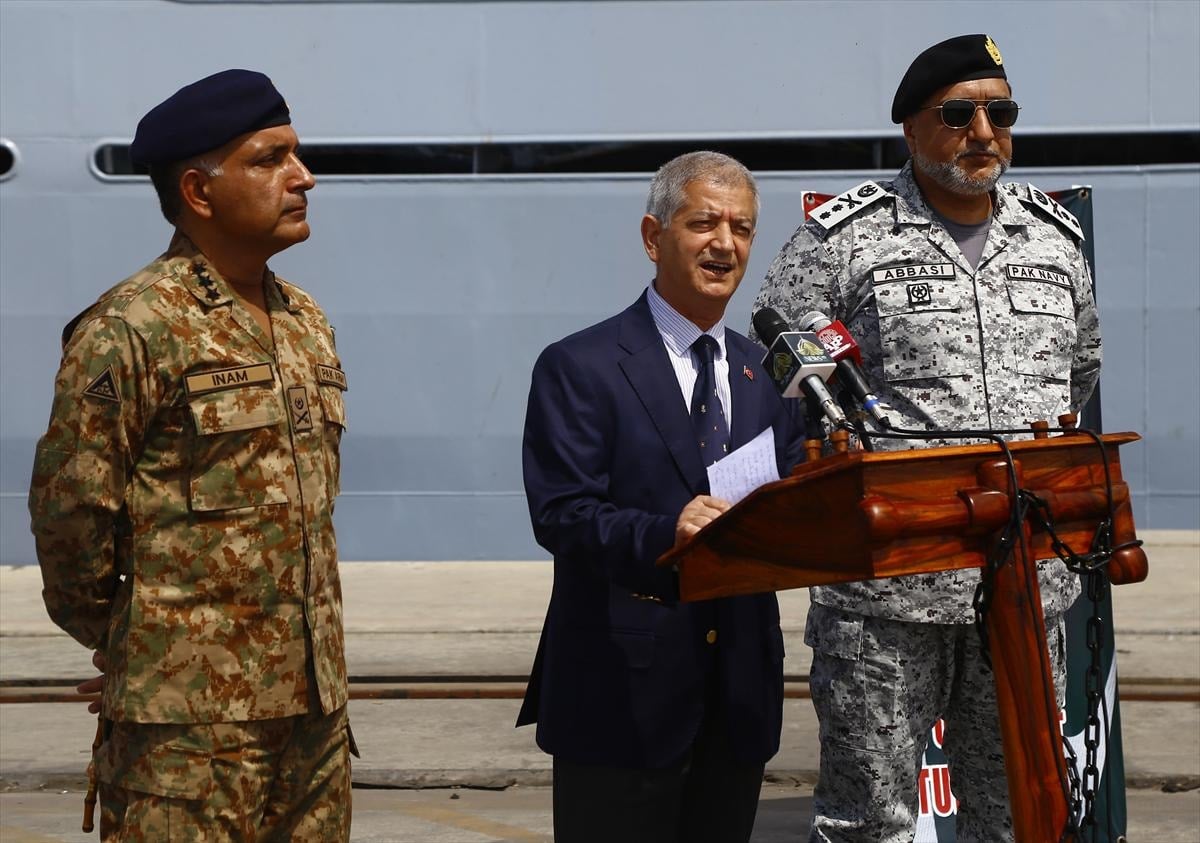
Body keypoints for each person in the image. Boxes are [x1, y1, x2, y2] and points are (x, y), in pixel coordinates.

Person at [752, 34, 1102, 842]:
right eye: (958, 114)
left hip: (1022, 583)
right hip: (887, 590)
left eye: (1000, 114)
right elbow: (780, 358)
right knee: (869, 821)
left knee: (1016, 817)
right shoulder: (845, 238)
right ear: (911, 127)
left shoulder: (1055, 241)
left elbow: (1079, 376)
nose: (983, 132)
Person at [28, 69, 354, 841]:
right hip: (186, 739)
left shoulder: (304, 320)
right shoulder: (131, 327)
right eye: (270, 159)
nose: (303, 177)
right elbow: (71, 513)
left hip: (314, 721)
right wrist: (133, 643)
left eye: (296, 154)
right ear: (199, 192)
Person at [517, 151, 807, 842]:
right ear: (654, 237)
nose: (725, 244)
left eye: (742, 228)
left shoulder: (768, 374)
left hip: (737, 696)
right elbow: (562, 513)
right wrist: (665, 531)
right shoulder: (580, 366)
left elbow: (794, 492)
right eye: (704, 223)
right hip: (620, 696)